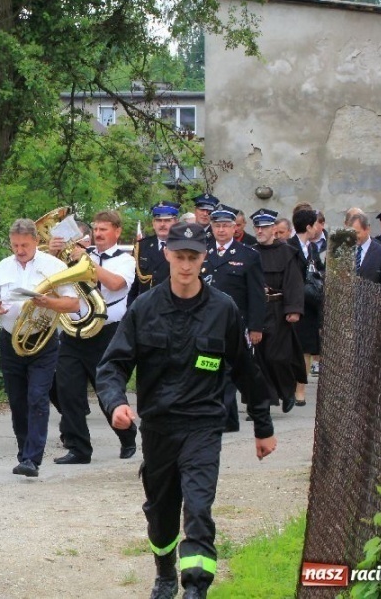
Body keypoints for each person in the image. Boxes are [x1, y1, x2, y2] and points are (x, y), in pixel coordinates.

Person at [95, 221, 276, 599]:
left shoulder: (222, 309)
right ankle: (164, 574)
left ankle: (196, 588)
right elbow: (112, 365)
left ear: (203, 258)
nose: (186, 264)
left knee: (198, 508)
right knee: (161, 515)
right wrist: (116, 404)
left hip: (203, 426)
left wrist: (263, 425)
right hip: (159, 428)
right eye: (180, 256)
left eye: (194, 257)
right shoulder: (145, 307)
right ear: (168, 255)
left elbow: (247, 370)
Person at [0, 219, 79, 477]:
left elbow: (73, 303)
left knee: (37, 397)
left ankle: (32, 459)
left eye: (24, 245)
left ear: (36, 241)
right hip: (10, 338)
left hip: (42, 338)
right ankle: (23, 452)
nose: (20, 250)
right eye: (15, 245)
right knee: (17, 400)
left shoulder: (54, 266)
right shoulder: (3, 267)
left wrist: (48, 302)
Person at [52, 210, 137, 465]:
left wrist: (88, 263)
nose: (98, 234)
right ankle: (79, 448)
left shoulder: (125, 260)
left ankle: (127, 436)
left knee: (105, 390)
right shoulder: (79, 255)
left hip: (107, 332)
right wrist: (55, 253)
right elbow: (51, 277)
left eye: (104, 230)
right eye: (96, 230)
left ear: (117, 231)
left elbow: (114, 284)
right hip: (75, 329)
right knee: (68, 390)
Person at [201, 204, 265, 432]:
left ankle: (226, 417)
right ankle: (222, 415)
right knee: (207, 367)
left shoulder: (248, 255)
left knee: (228, 370)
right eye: (217, 226)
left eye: (226, 226)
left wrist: (256, 326)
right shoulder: (202, 251)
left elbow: (257, 296)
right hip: (205, 323)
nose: (221, 230)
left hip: (235, 324)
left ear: (234, 228)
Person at [250, 208, 306, 413]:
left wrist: (293, 309)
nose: (260, 231)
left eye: (264, 227)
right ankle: (261, 403)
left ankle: (287, 390)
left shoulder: (287, 252)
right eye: (257, 227)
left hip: (278, 309)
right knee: (257, 359)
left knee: (277, 356)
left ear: (274, 229)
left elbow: (293, 283)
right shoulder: (250, 252)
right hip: (255, 310)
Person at [288, 209, 325, 406]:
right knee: (292, 348)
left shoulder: (311, 249)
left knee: (306, 350)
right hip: (294, 303)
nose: (318, 228)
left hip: (309, 305)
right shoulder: (289, 247)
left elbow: (319, 269)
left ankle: (300, 389)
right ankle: (289, 387)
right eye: (315, 224)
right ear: (308, 226)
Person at [128, 200, 179, 305]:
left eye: (167, 220)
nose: (162, 224)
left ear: (176, 222)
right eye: (158, 220)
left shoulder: (183, 247)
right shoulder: (142, 246)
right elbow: (134, 286)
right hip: (146, 308)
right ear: (153, 223)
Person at [348, 213, 381, 285]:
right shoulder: (346, 249)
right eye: (351, 233)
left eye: (357, 233)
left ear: (367, 229)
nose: (354, 237)